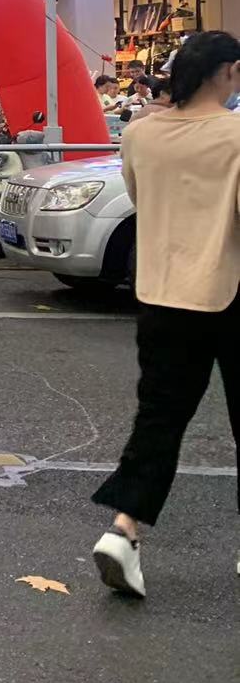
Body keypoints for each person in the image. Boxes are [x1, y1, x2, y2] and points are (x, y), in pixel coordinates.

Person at [91, 30, 240, 599]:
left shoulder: (141, 133)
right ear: (227, 72)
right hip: (230, 289)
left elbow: (140, 198)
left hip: (160, 292)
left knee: (159, 419)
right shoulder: (235, 134)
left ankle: (124, 530)